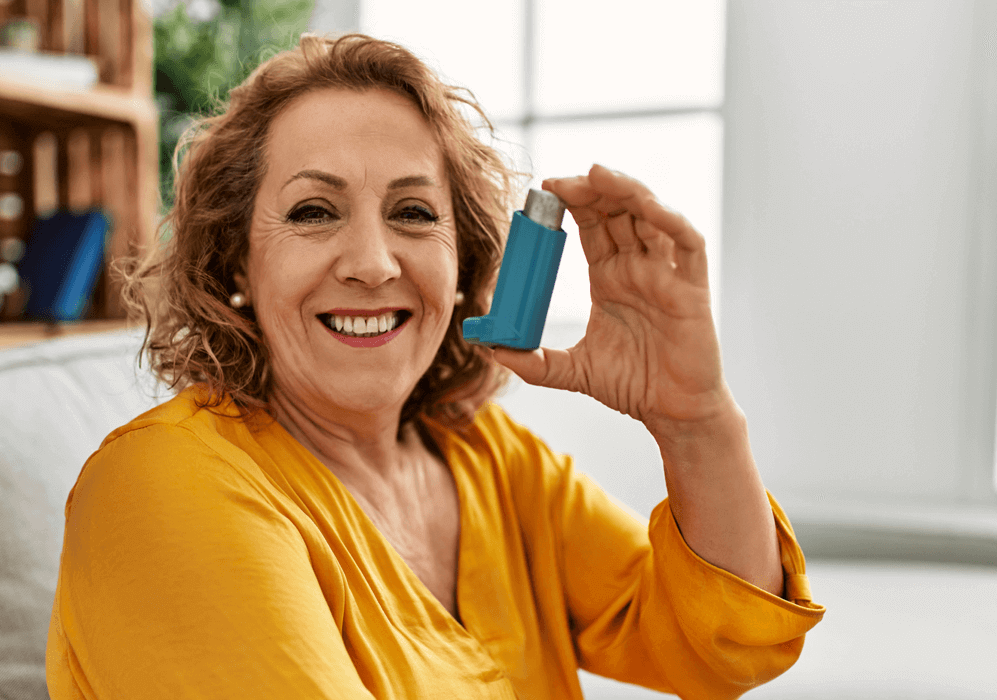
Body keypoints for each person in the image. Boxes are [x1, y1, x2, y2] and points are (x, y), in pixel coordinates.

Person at [45, 32, 824, 700]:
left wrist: (695, 419)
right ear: (235, 264)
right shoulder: (163, 484)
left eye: (413, 213)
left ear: (462, 270)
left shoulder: (494, 463)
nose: (374, 262)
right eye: (314, 212)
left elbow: (725, 643)